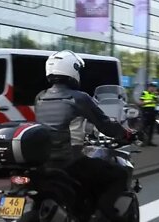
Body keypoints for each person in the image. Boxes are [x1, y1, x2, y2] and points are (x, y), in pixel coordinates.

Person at [34, 50, 133, 221]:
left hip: (44, 163)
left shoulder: (40, 97)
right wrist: (125, 134)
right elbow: (106, 125)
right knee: (119, 175)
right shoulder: (78, 98)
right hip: (70, 162)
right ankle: (106, 210)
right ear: (72, 70)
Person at [139, 82, 159, 146]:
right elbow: (141, 103)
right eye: (152, 87)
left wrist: (156, 96)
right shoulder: (144, 93)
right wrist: (149, 102)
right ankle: (142, 141)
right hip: (146, 111)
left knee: (152, 128)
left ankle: (149, 141)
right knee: (144, 127)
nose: (153, 89)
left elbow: (156, 101)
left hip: (152, 111)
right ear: (149, 87)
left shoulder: (154, 94)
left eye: (154, 87)